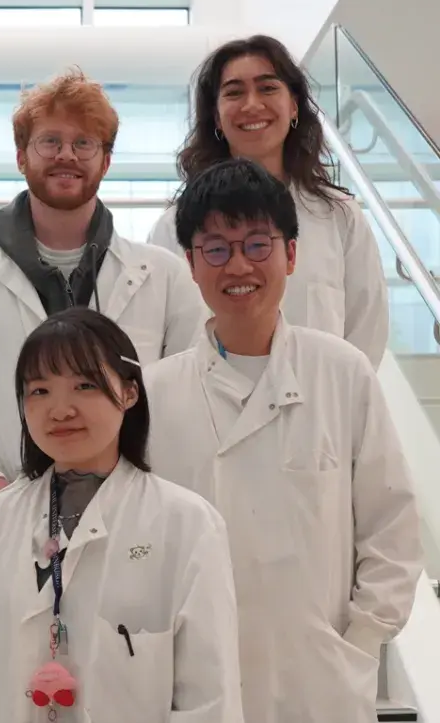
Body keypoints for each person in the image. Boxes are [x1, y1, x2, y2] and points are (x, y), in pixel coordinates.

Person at [144, 158, 422, 723]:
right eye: (215, 248)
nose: (238, 264)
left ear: (291, 255)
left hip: (318, 679)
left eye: (257, 244)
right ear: (191, 266)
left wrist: (360, 641)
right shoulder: (154, 393)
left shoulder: (341, 372)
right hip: (191, 679)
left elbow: (391, 525)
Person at [0, 308, 243, 723]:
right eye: (39, 391)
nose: (60, 409)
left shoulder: (187, 525)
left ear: (129, 392)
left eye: (84, 385)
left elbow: (208, 703)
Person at [0, 70, 207, 509]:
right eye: (50, 142)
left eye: (84, 143)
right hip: (11, 507)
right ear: (21, 157)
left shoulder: (164, 275)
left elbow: (193, 396)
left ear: (105, 161)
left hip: (136, 511)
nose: (66, 155)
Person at [148, 35, 389, 368]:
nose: (251, 105)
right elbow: (159, 340)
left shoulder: (340, 216)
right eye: (233, 92)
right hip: (206, 412)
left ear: (293, 106)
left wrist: (336, 401)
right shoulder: (173, 226)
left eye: (268, 88)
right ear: (216, 118)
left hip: (317, 410)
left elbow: (367, 331)